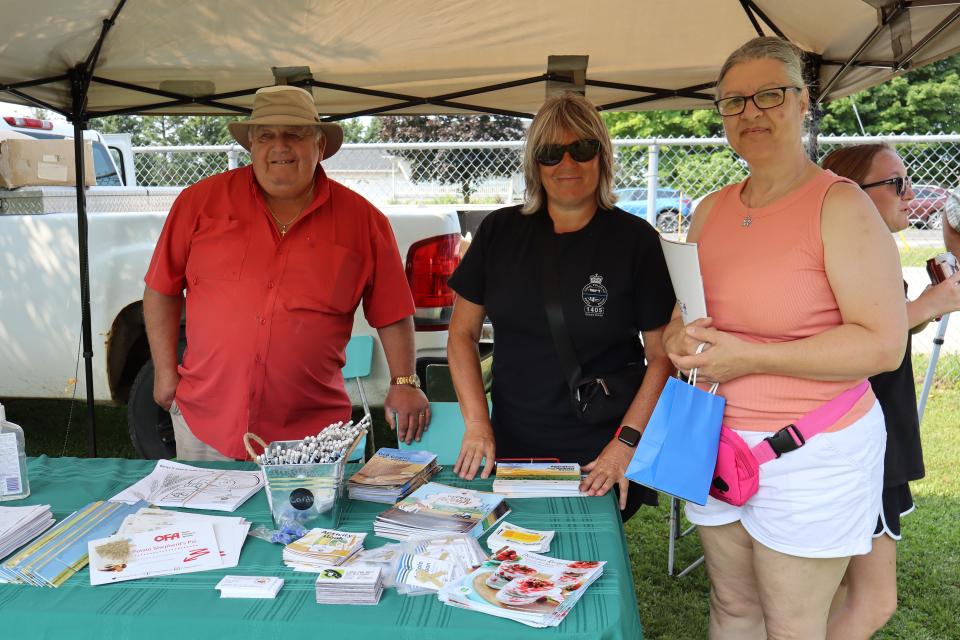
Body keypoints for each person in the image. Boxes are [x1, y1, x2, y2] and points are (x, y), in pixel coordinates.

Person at [662, 37, 907, 639]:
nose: (751, 112)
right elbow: (684, 314)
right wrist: (675, 338)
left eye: (769, 95)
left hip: (811, 451)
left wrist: (750, 356)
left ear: (803, 103)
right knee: (730, 609)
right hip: (714, 440)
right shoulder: (711, 210)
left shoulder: (841, 205)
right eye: (734, 101)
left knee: (794, 624)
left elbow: (882, 345)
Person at [143, 85, 429, 461]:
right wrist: (165, 372)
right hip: (207, 422)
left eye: (294, 134)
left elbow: (393, 311)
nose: (280, 146)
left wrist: (404, 381)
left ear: (319, 146)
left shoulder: (364, 221)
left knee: (308, 520)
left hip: (312, 434)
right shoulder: (199, 203)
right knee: (208, 521)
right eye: (266, 136)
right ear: (251, 146)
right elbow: (161, 288)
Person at [447, 91, 676, 519]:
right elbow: (461, 334)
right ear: (535, 164)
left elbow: (664, 356)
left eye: (582, 149)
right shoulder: (499, 232)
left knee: (587, 562)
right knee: (514, 566)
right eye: (552, 153)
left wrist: (625, 445)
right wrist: (478, 424)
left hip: (600, 450)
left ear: (602, 157)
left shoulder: (636, 241)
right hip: (513, 442)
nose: (567, 164)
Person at [821, 143, 960, 639]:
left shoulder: (865, 254)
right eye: (895, 183)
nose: (909, 194)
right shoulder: (844, 257)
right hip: (862, 444)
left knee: (830, 593)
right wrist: (930, 303)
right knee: (875, 601)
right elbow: (850, 343)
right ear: (849, 195)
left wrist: (923, 307)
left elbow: (884, 339)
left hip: (860, 442)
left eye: (909, 180)